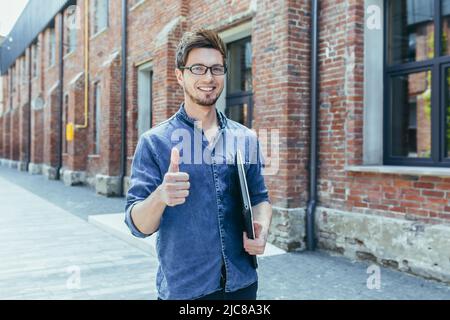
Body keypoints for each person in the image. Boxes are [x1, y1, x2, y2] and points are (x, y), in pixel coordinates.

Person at [125, 29, 272, 300]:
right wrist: (161, 196)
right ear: (180, 76)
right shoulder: (155, 142)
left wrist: (261, 228)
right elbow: (137, 225)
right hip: (186, 292)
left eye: (216, 69)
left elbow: (260, 198)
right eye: (198, 68)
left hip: (242, 286)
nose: (208, 77)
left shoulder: (245, 138)